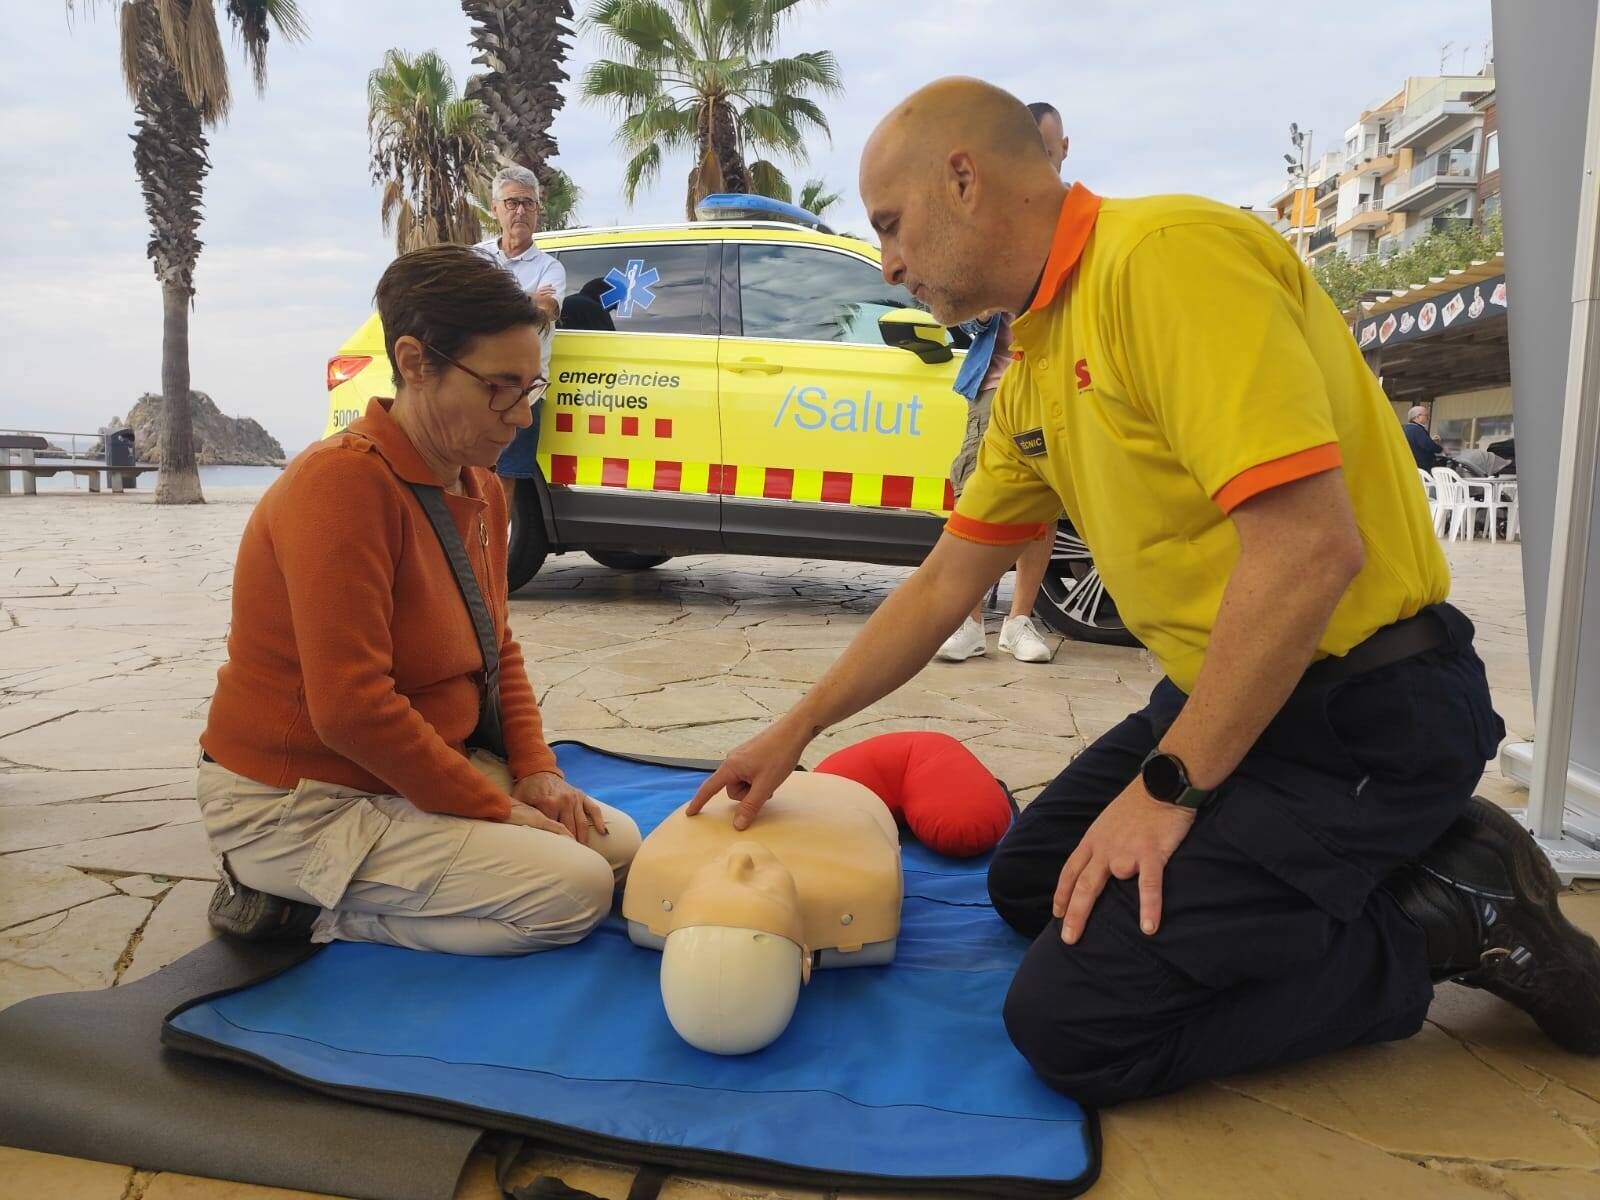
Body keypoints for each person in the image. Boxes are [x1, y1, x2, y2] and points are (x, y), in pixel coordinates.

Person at [686, 78, 1600, 1106]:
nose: (889, 261)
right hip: (1230, 696)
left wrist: (1169, 790)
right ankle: (1389, 863)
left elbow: (1308, 554)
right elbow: (949, 580)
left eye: (891, 226)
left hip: (1362, 714)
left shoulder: (1163, 263)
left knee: (1073, 1027)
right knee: (1029, 883)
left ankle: (1444, 922)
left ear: (963, 179)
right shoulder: (1031, 357)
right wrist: (793, 727)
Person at [197, 244, 639, 954]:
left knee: (615, 846)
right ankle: (292, 908)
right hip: (300, 801)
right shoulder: (341, 487)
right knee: (573, 893)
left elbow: (498, 647)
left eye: (531, 388)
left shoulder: (481, 485)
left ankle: (412, 863)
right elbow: (351, 710)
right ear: (414, 363)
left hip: (417, 768)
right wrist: (491, 805)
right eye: (500, 387)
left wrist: (537, 773)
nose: (521, 417)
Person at [937, 101, 1070, 665]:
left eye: (1048, 148)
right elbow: (958, 318)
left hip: (1054, 385)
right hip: (995, 387)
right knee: (975, 499)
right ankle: (968, 623)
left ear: (1063, 150)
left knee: (1041, 508)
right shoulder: (989, 225)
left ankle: (1018, 621)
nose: (1040, 160)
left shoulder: (1079, 224)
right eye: (1029, 149)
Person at [475, 165, 567, 515]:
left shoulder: (551, 267)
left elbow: (545, 309)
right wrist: (525, 297)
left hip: (522, 392)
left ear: (538, 211)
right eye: (512, 202)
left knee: (504, 483)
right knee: (466, 475)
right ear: (495, 208)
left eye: (528, 204)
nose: (520, 211)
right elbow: (460, 305)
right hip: (475, 386)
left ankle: (494, 566)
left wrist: (491, 298)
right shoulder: (476, 258)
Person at [1404, 404, 1444, 471]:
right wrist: (1440, 449)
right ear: (1417, 417)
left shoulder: (1405, 428)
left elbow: (1415, 443)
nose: (1428, 418)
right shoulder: (1417, 429)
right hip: (1423, 466)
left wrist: (1430, 440)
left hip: (1412, 465)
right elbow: (1428, 446)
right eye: (1426, 415)